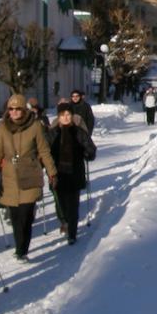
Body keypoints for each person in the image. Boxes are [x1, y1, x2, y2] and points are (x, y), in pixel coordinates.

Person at [0, 93, 57, 261]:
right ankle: (20, 247)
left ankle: (22, 249)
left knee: (26, 214)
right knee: (15, 215)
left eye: (18, 109)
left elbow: (44, 151)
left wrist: (52, 172)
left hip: (30, 173)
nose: (14, 112)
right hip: (10, 176)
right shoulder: (3, 128)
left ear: (24, 110)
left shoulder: (35, 126)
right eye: (11, 109)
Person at [47, 102, 96, 244]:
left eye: (68, 114)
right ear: (59, 117)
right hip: (57, 174)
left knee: (73, 205)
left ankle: (72, 234)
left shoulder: (79, 132)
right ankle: (65, 222)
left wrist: (88, 153)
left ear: (72, 116)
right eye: (63, 115)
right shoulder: (53, 133)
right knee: (61, 204)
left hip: (75, 174)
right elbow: (45, 150)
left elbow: (91, 148)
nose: (66, 117)